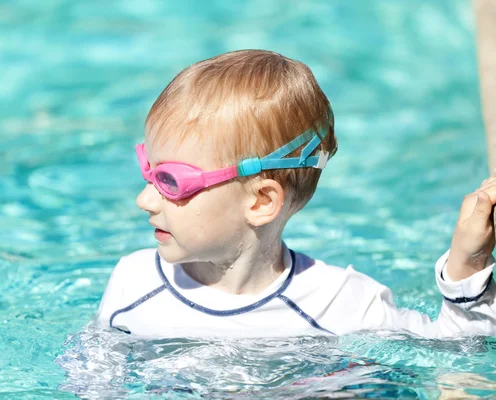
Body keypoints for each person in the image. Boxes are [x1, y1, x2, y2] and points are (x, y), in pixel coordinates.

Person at [95, 49, 496, 338]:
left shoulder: (342, 303)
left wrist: (468, 261)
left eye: (169, 181)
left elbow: (457, 348)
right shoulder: (133, 284)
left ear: (261, 201)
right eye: (147, 168)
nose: (144, 200)